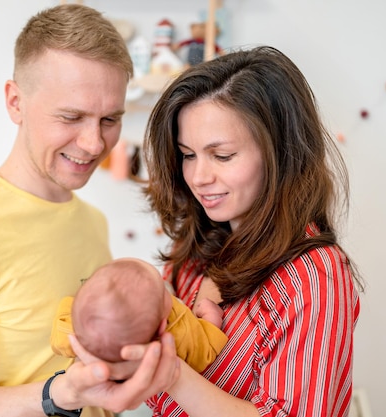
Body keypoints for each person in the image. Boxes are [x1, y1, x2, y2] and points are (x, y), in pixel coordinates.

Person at [0, 5, 180, 417]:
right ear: (15, 102)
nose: (95, 143)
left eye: (109, 119)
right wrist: (57, 395)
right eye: (71, 116)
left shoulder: (90, 221)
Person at [138, 45, 363, 416]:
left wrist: (169, 373)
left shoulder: (314, 277)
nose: (199, 177)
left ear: (279, 152)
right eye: (188, 155)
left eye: (222, 155)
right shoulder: (196, 251)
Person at [50, 257, 227, 372]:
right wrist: (211, 316)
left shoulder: (76, 330)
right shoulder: (179, 336)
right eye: (163, 292)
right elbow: (207, 351)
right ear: (162, 326)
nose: (165, 284)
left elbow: (62, 326)